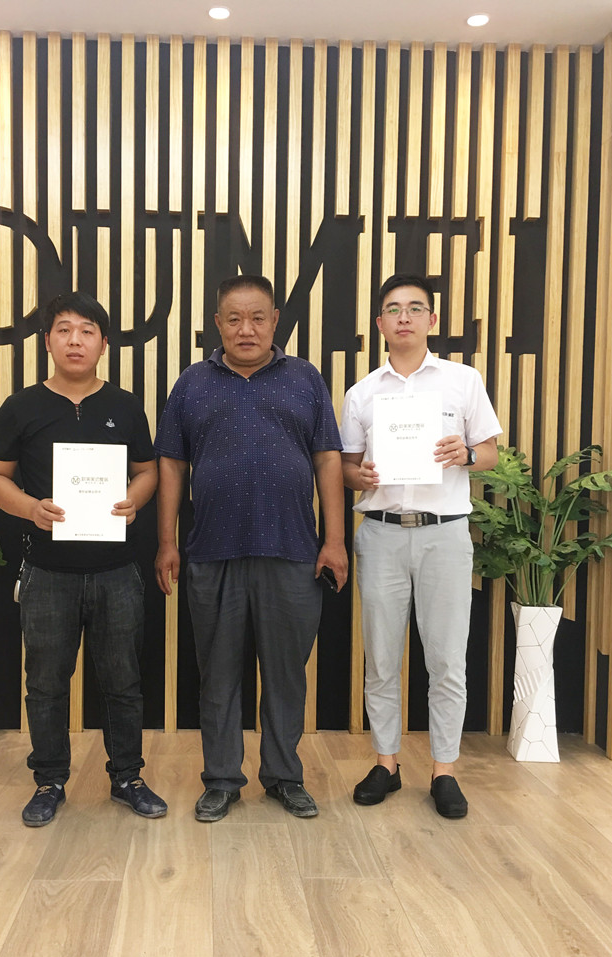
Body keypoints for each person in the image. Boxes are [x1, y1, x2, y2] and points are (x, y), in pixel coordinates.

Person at [154, 274, 348, 822]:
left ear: (275, 321)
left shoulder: (305, 378)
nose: (247, 329)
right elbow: (171, 464)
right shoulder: (192, 383)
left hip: (293, 551)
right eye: (234, 319)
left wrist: (334, 541)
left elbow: (328, 459)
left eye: (258, 318)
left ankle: (284, 776)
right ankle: (221, 780)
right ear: (217, 324)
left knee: (286, 674)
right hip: (212, 550)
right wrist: (166, 542)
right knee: (217, 675)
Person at [0, 292, 167, 826]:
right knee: (45, 683)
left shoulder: (125, 406)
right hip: (47, 572)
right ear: (48, 342)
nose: (75, 340)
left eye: (87, 331)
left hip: (117, 572)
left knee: (123, 681)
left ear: (104, 344)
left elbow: (148, 470)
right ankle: (49, 781)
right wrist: (30, 508)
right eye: (64, 330)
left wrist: (135, 499)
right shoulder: (21, 406)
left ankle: (127, 777)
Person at [341, 273, 502, 818]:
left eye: (415, 308)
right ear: (380, 323)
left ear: (432, 320)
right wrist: (359, 475)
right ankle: (386, 763)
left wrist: (467, 455)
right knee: (382, 658)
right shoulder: (362, 393)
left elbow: (490, 453)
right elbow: (346, 467)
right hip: (381, 533)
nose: (404, 317)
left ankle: (444, 769)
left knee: (447, 659)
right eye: (393, 309)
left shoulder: (462, 381)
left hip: (445, 534)